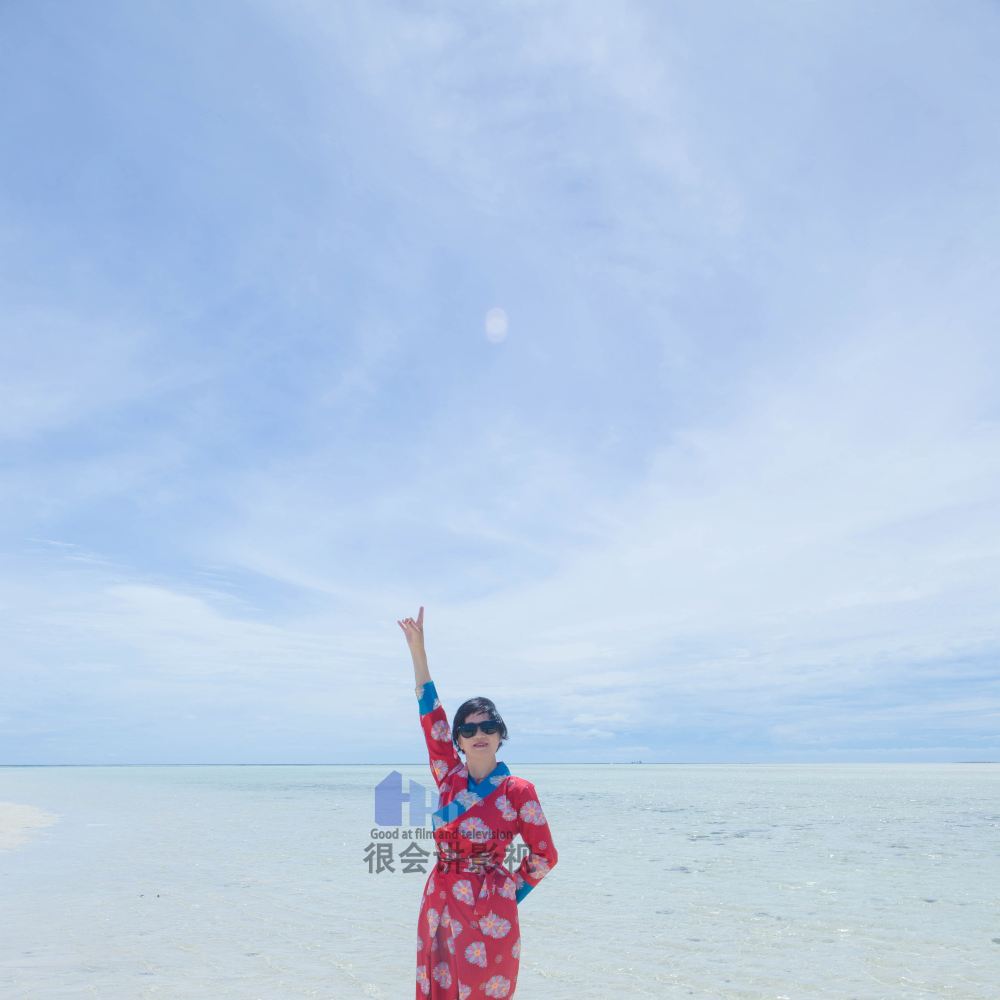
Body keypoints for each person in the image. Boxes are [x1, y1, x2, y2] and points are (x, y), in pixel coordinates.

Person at [397, 606, 558, 999]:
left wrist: (505, 892)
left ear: (501, 734)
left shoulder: (518, 791)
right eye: (468, 729)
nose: (478, 734)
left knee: (482, 989)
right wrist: (418, 650)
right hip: (440, 902)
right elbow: (431, 717)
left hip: (490, 910)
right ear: (458, 741)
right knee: (440, 986)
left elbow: (544, 855)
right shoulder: (448, 777)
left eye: (488, 726)